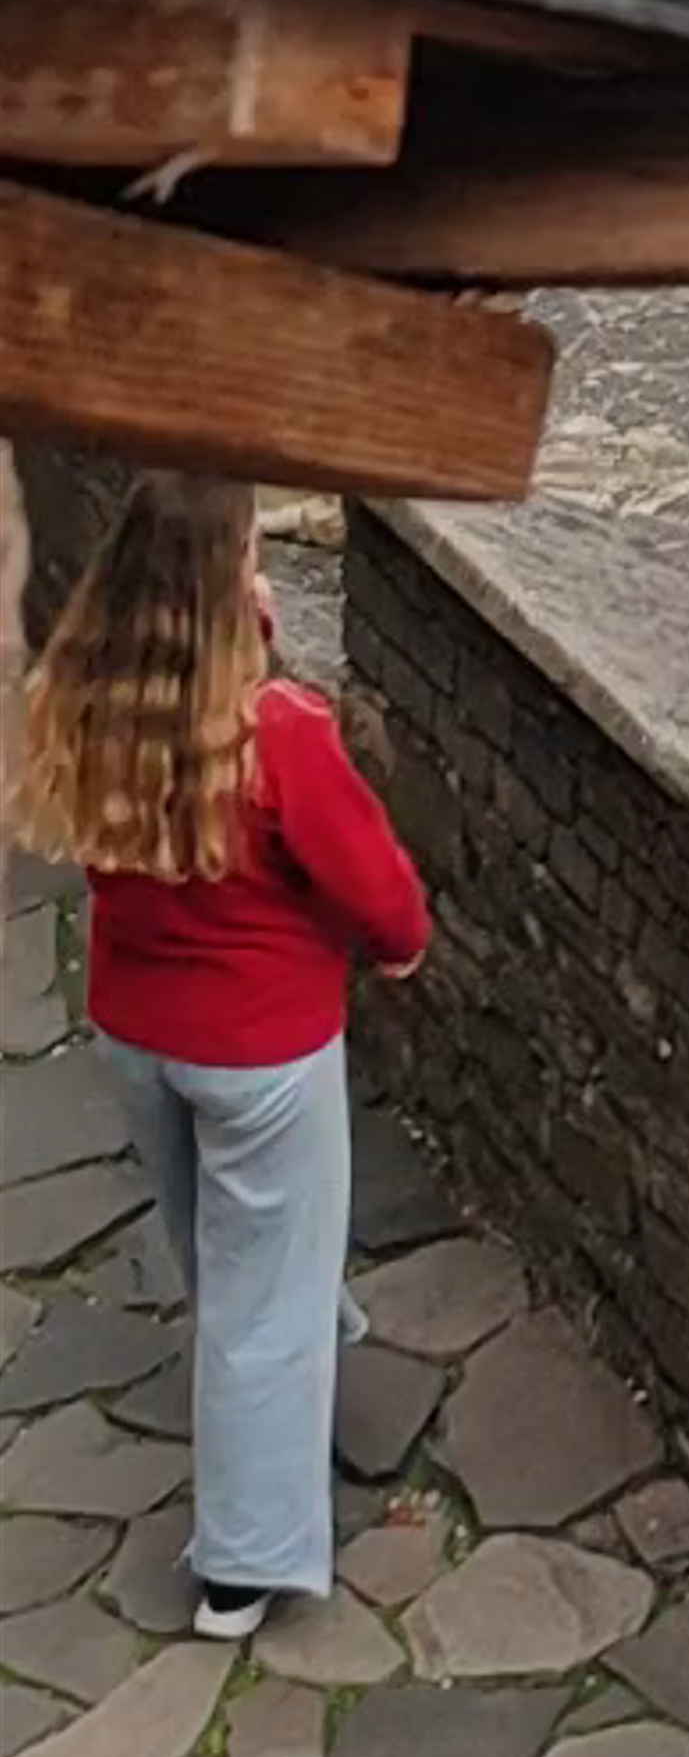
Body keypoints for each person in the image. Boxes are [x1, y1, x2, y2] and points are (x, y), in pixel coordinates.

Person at [18, 471, 431, 1636]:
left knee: (220, 1237)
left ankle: (312, 1326)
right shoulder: (280, 730)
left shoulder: (92, 696)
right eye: (251, 555)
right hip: (261, 1046)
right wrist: (400, 945)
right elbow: (368, 877)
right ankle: (246, 1561)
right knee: (261, 1303)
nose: (264, 573)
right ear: (219, 585)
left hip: (140, 1029)